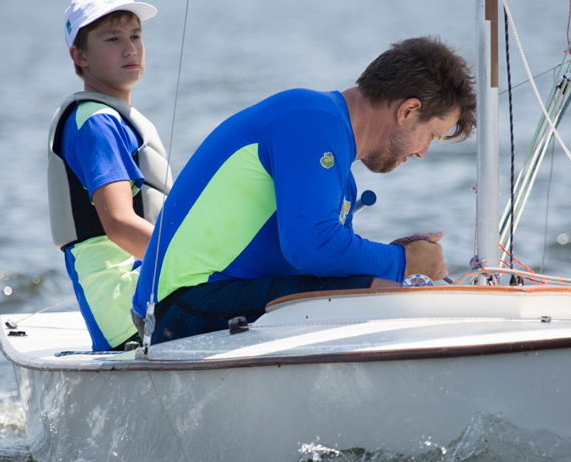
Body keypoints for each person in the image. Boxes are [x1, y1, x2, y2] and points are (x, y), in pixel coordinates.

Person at [131, 36, 476, 345]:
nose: (422, 152)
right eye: (431, 135)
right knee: (379, 293)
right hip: (178, 307)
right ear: (408, 110)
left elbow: (327, 262)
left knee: (377, 287)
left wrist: (394, 259)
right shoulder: (311, 120)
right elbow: (312, 248)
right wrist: (402, 261)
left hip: (202, 299)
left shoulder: (334, 156)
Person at [46, 0, 173, 350]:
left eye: (135, 36)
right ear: (80, 55)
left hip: (140, 296)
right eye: (113, 39)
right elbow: (118, 224)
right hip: (127, 313)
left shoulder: (107, 116)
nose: (130, 48)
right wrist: (197, 262)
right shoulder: (96, 123)